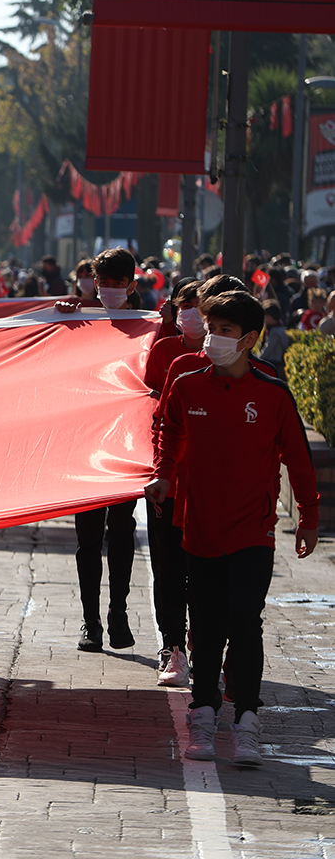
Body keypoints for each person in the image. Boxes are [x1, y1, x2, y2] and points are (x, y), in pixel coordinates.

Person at [147, 290, 319, 765]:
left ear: (248, 340)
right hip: (199, 524)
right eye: (211, 328)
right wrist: (163, 476)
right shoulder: (187, 385)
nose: (213, 338)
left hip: (252, 529)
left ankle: (247, 719)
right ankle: (202, 715)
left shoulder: (273, 394)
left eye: (224, 331)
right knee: (207, 623)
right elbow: (171, 433)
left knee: (245, 619)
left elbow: (298, 461)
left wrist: (308, 515)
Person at [60, 248, 141, 652]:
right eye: (102, 282)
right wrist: (59, 319)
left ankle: (118, 614)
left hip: (125, 446)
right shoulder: (77, 322)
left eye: (115, 283)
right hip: (85, 447)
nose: (108, 289)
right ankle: (90, 622)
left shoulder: (146, 328)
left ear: (131, 285)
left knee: (122, 534)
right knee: (88, 539)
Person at [142, 279, 203, 686]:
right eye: (185, 307)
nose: (192, 315)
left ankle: (204, 638)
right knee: (167, 568)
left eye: (199, 308)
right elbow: (150, 408)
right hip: (166, 481)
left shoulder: (229, 362)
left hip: (206, 484)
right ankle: (172, 645)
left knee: (202, 569)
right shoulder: (167, 354)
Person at [255, 300, 291, 379]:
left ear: (270, 316)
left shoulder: (275, 332)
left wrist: (256, 360)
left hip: (272, 362)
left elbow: (268, 349)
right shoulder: (280, 329)